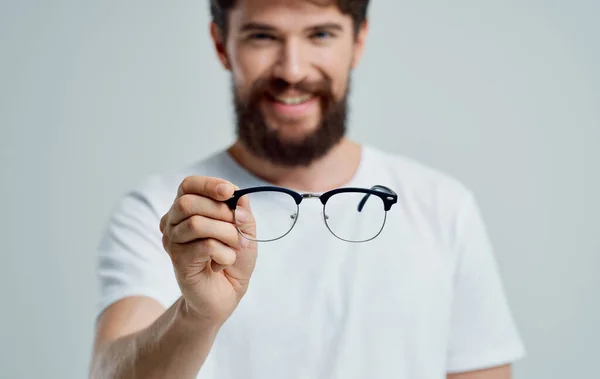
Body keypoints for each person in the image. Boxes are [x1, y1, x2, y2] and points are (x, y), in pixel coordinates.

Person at [89, 0, 526, 378]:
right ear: (222, 44)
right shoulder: (170, 212)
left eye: (320, 34)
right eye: (263, 36)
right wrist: (197, 314)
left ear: (358, 41)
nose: (292, 70)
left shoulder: (443, 207)